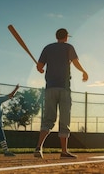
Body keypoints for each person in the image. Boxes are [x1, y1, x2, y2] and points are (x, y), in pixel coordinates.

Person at [34, 28, 88, 159]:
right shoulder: (69, 47)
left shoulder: (47, 48)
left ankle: (38, 147)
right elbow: (75, 62)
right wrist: (84, 71)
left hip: (50, 88)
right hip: (64, 88)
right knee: (64, 120)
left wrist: (40, 69)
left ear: (56, 36)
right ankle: (64, 151)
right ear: (66, 37)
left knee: (48, 120)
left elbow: (39, 66)